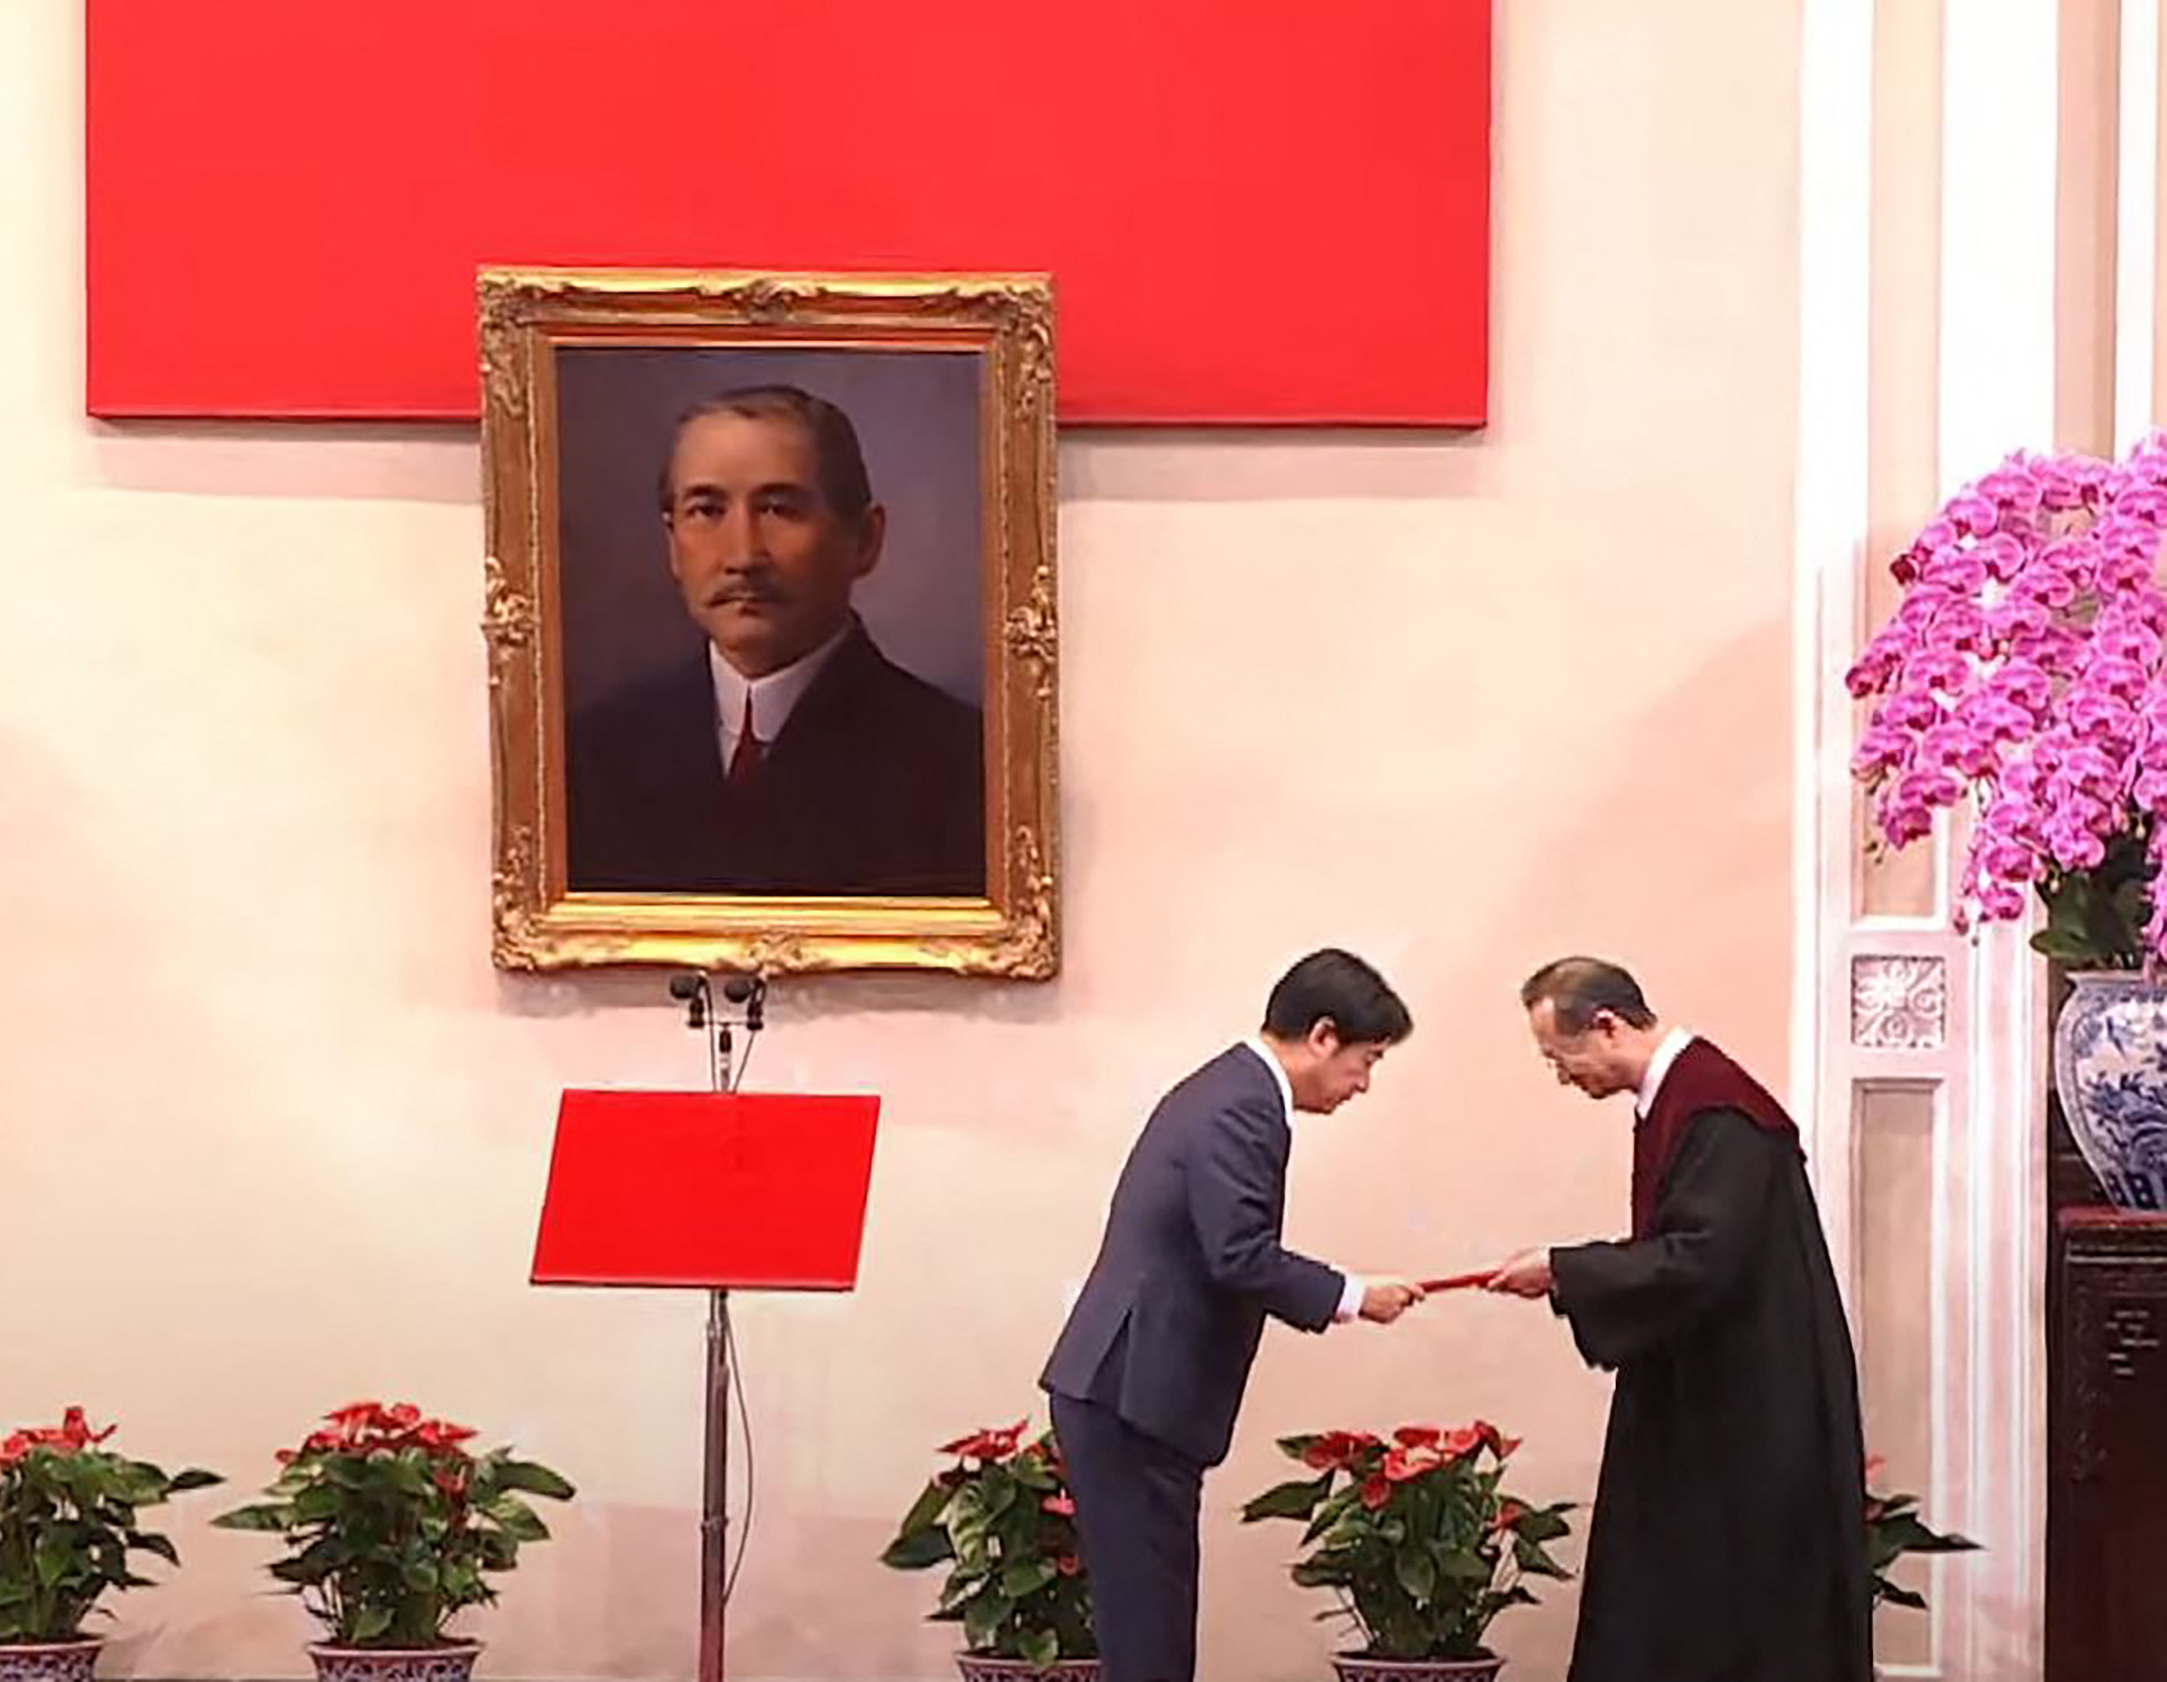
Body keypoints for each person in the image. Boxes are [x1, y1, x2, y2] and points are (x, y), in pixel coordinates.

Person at [1039, 948, 1428, 1682]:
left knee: (1148, 1626)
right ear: (1321, 1035)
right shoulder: (1242, 1105)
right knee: (1149, 1636)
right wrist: (1353, 1295)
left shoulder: (1228, 1088)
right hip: (1131, 1394)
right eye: (1365, 1060)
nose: (1363, 1084)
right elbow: (1240, 1254)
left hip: (1131, 1391)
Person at [1483, 956, 1872, 1682]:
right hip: (1709, 1396)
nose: (1563, 1077)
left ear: (1606, 1025)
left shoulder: (1717, 1108)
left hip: (1751, 1413)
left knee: (1725, 1616)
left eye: (1558, 1058)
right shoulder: (1681, 1097)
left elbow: (1699, 1258)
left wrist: (1563, 1269)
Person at [561, 383, 983, 896]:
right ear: (672, 544)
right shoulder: (591, 756)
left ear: (865, 540)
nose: (743, 554)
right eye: (707, 510)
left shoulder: (961, 766)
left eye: (779, 509)